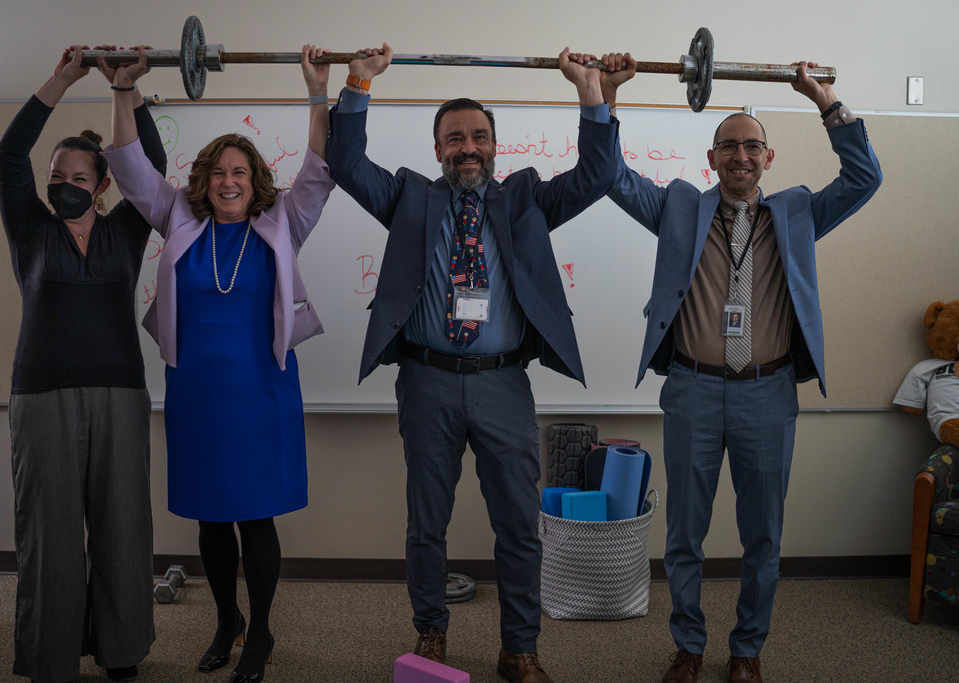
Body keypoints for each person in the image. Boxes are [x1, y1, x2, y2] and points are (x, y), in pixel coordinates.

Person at [325, 45, 620, 683]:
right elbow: (345, 162)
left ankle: (520, 648)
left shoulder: (526, 200)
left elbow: (598, 176)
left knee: (518, 524)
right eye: (454, 137)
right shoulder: (408, 196)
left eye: (479, 136)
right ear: (437, 150)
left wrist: (590, 91)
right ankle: (431, 633)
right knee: (426, 523)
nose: (467, 146)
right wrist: (358, 82)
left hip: (503, 385)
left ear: (495, 146)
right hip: (426, 382)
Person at [599, 52, 882, 683]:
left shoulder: (800, 212)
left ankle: (748, 651)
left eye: (752, 146)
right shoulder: (676, 207)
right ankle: (690, 645)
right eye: (728, 146)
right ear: (712, 159)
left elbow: (865, 178)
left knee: (763, 538)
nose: (741, 157)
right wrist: (608, 97)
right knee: (684, 537)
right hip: (693, 390)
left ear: (769, 158)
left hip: (768, 393)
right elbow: (611, 176)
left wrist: (824, 101)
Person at [102, 45, 335, 683]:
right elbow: (128, 169)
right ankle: (226, 618)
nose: (229, 182)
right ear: (202, 180)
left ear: (255, 179)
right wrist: (123, 91)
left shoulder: (282, 223)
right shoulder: (179, 218)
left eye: (240, 172)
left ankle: (258, 633)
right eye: (217, 173)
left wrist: (318, 91)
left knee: (255, 519)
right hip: (197, 396)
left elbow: (319, 169)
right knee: (210, 521)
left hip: (262, 395)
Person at [0, 45, 166, 683]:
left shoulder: (128, 227)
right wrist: (64, 79)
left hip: (121, 391)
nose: (63, 186)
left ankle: (123, 652)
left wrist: (127, 91)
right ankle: (50, 656)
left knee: (123, 528)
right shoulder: (29, 228)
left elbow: (154, 164)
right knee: (50, 535)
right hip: (39, 393)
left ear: (100, 186)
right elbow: (10, 154)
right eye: (57, 176)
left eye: (77, 178)